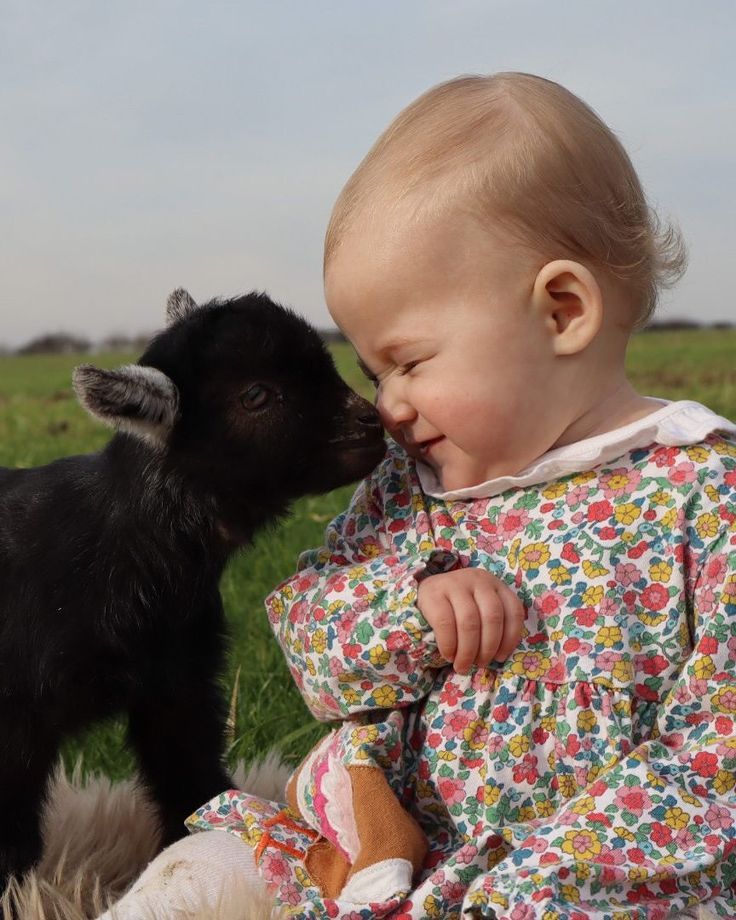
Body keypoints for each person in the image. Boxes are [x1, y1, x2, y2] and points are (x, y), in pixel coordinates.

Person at [99, 73, 736, 920]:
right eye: (371, 371)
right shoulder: (416, 485)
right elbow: (310, 630)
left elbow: (712, 770)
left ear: (560, 311)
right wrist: (410, 608)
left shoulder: (699, 499)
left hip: (583, 885)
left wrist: (520, 888)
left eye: (409, 361)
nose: (385, 403)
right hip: (385, 852)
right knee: (205, 870)